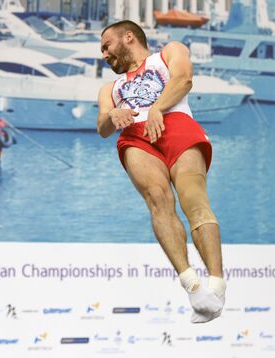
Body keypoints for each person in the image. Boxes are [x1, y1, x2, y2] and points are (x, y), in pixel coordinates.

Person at [97, 20, 226, 323]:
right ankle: (192, 286)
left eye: (106, 45)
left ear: (128, 37)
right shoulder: (110, 88)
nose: (103, 54)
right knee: (158, 198)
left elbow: (183, 79)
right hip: (135, 136)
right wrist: (113, 114)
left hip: (175, 121)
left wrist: (157, 108)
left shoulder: (168, 52)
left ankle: (217, 285)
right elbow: (102, 126)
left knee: (193, 198)